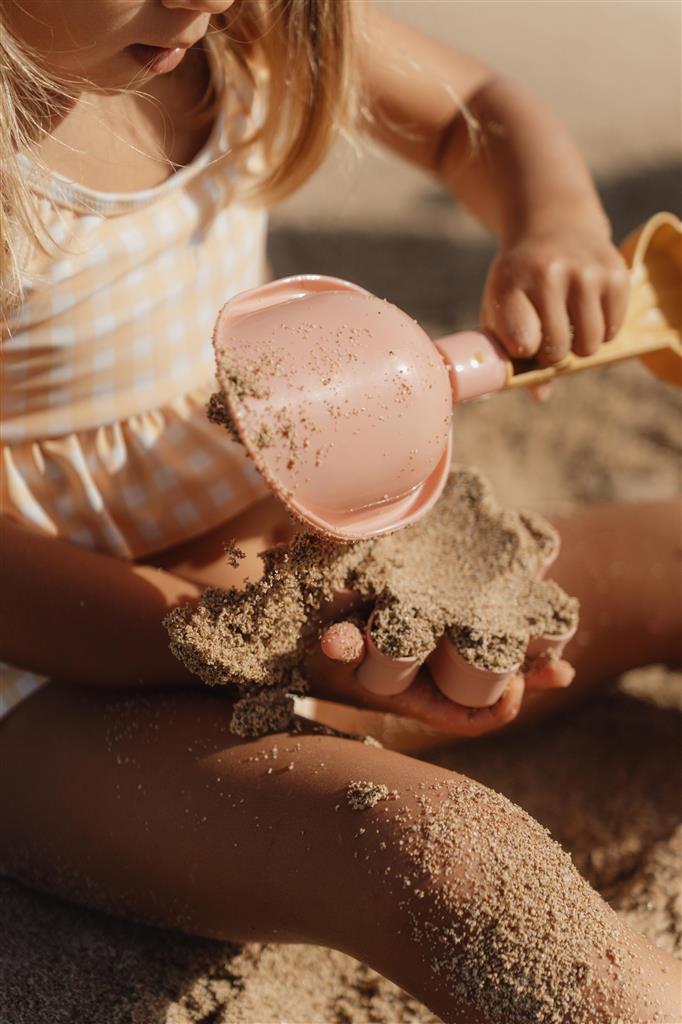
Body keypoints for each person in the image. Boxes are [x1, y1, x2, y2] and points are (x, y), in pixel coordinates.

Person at [0, 2, 679, 1020]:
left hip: (305, 587)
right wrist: (272, 642)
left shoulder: (250, 26)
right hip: (53, 683)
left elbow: (472, 115)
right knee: (449, 860)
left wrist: (554, 225)